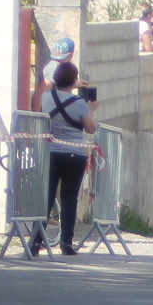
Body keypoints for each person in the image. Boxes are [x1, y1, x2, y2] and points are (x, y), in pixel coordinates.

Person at [42, 60, 97, 255]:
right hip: (74, 154)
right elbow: (91, 128)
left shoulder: (46, 98)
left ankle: (37, 239)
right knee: (69, 199)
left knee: (47, 197)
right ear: (73, 80)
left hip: (51, 152)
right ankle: (66, 242)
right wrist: (91, 110)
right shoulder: (79, 103)